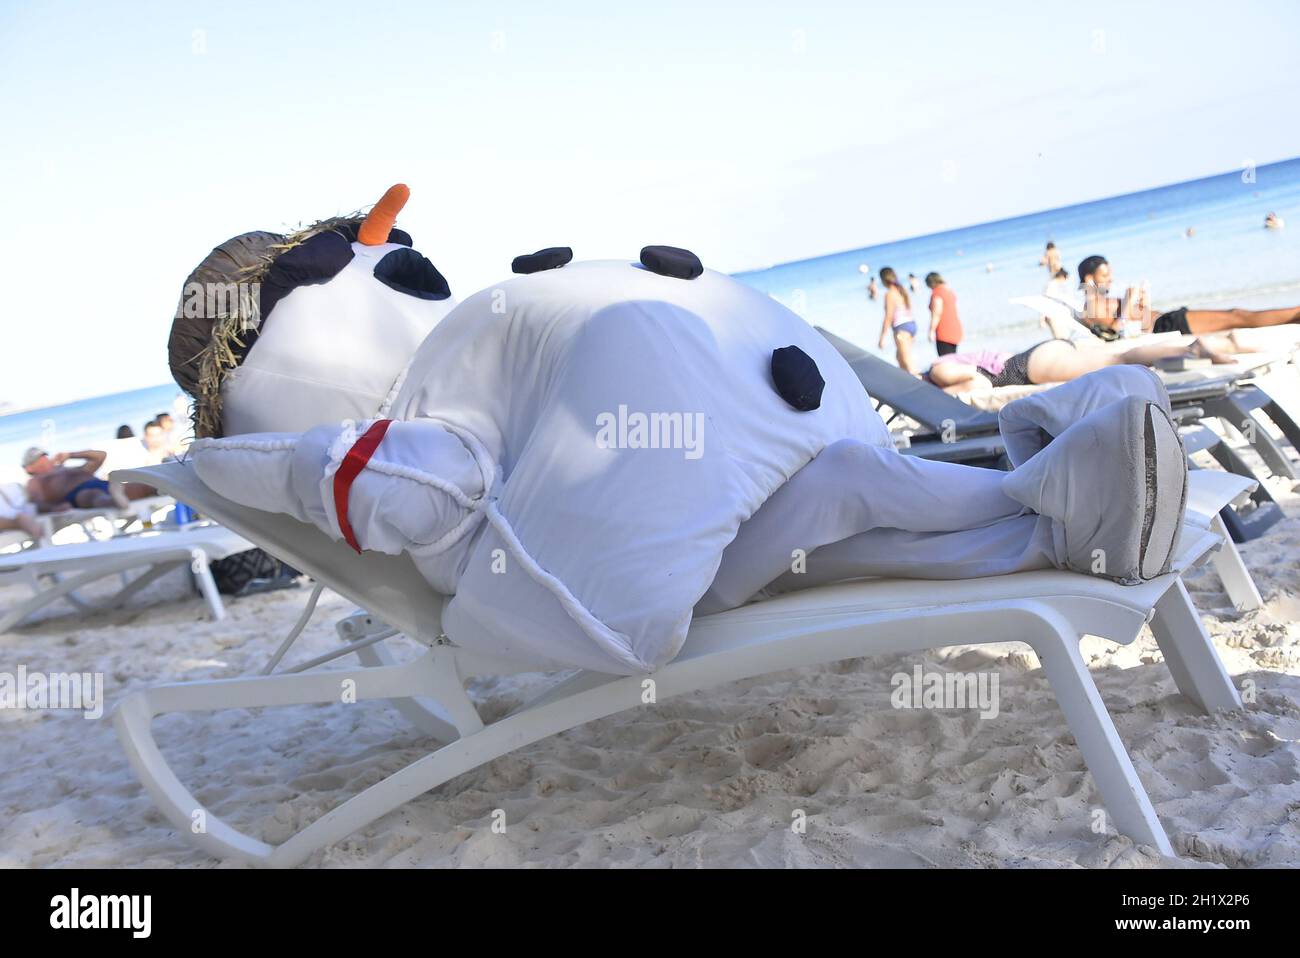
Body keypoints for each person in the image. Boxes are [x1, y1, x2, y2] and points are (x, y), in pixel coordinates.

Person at [1077, 254, 1300, 337]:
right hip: (1166, 326)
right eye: (1104, 275)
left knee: (1236, 317)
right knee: (1237, 316)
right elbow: (1115, 332)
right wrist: (1128, 301)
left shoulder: (1101, 301)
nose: (1110, 279)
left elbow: (1138, 323)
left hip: (1164, 323)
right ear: (1089, 278)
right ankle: (1295, 315)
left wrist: (1143, 303)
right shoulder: (1091, 305)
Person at [924, 336, 1232, 394]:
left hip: (1028, 367)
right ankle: (1185, 352)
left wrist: (950, 391)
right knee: (1117, 358)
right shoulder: (942, 362)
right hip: (1039, 355)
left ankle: (1191, 348)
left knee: (1119, 359)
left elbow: (978, 381)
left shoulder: (937, 370)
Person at [21, 447, 154, 511]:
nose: (44, 460)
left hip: (104, 485)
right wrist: (54, 508)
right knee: (93, 496)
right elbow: (37, 503)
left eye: (44, 456)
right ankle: (114, 500)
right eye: (38, 460)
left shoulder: (66, 470)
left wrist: (70, 455)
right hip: (77, 494)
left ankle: (167, 489)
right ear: (30, 468)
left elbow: (100, 456)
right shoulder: (35, 482)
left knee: (145, 487)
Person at [876, 267, 919, 373]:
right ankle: (909, 384)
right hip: (911, 324)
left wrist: (882, 338)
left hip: (901, 328)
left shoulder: (889, 294)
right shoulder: (901, 290)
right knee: (900, 358)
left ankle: (920, 385)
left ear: (883, 280)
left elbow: (888, 316)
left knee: (908, 363)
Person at [924, 272, 962, 355]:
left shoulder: (937, 293)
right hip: (955, 328)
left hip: (944, 331)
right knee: (953, 357)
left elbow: (937, 313)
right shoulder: (949, 290)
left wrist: (931, 331)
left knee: (945, 360)